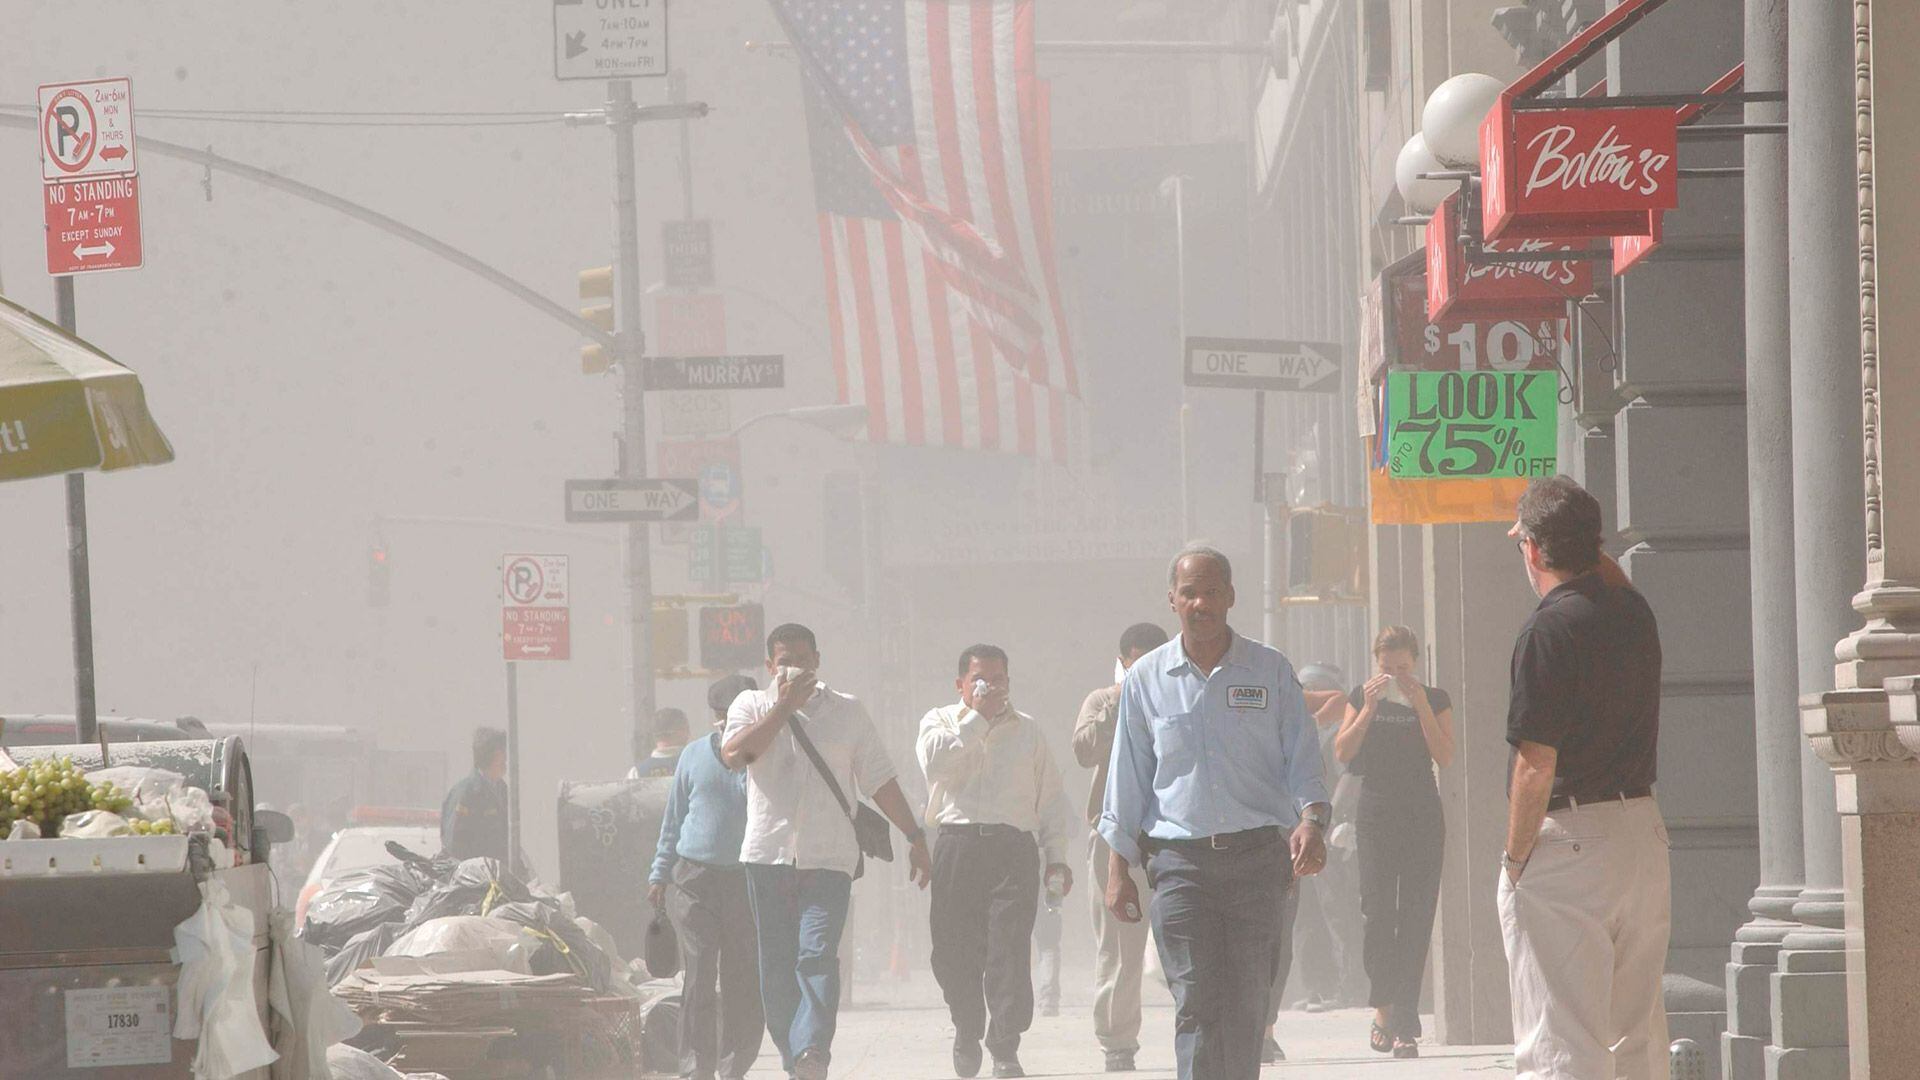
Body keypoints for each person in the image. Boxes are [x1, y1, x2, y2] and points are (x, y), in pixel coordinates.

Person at [1098, 545, 1331, 1080]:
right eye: (1189, 592)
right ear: (1172, 601)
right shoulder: (1146, 680)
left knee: (1248, 1002)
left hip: (1257, 865)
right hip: (1180, 867)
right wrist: (1118, 871)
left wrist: (1312, 821)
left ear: (1230, 597)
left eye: (1211, 591)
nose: (1200, 602)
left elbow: (1302, 757)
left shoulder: (1270, 671)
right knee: (1197, 999)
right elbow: (1127, 781)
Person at [1501, 476, 1668, 1080]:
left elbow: (1534, 764)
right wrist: (1573, 534)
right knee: (1637, 1036)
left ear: (1535, 550)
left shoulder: (1546, 630)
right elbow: (1612, 578)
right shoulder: (1632, 611)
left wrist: (1516, 859)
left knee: (1561, 1039)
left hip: (1569, 840)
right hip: (1641, 835)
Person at [721, 623, 934, 1080]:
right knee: (776, 966)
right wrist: (783, 708)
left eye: (802, 658)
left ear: (818, 659)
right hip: (767, 857)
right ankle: (794, 1054)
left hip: (830, 859)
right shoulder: (751, 705)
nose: (794, 667)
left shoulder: (848, 712)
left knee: (817, 955)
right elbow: (736, 755)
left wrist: (916, 836)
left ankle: (812, 1051)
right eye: (784, 660)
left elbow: (880, 780)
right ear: (769, 665)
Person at [917, 644, 1074, 1079]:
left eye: (999, 680)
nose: (991, 688)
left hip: (1012, 851)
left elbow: (1051, 801)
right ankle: (967, 1028)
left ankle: (1005, 1046)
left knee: (1008, 949)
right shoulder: (940, 721)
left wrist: (1057, 859)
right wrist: (977, 719)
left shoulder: (1028, 731)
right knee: (952, 953)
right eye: (980, 680)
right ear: (961, 684)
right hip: (957, 845)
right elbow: (935, 765)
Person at [1333, 628, 1454, 1058]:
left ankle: (1405, 1021)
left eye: (1402, 668)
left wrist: (1418, 701)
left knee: (1416, 917)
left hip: (1422, 814)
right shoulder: (1362, 696)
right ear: (1375, 664)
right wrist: (1368, 707)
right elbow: (1343, 752)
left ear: (1416, 663)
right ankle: (1383, 1008)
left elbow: (1444, 754)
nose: (1395, 675)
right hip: (1376, 815)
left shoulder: (1435, 698)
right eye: (1387, 668)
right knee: (1377, 914)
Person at [649, 676, 764, 1080]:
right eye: (721, 714)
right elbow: (674, 818)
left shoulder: (767, 756)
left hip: (747, 879)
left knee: (741, 979)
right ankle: (696, 1066)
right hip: (695, 878)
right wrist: (659, 873)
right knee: (699, 973)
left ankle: (734, 1066)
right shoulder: (694, 756)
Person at [1071, 621, 1167, 1073]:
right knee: (1120, 948)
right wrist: (1120, 699)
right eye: (1137, 660)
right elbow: (1084, 751)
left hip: (1170, 835)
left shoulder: (1176, 696)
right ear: (1125, 659)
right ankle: (1117, 1042)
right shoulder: (1101, 701)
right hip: (1114, 839)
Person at [439, 727, 508, 864]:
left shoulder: (502, 790)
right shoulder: (466, 794)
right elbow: (453, 846)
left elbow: (506, 840)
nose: (506, 759)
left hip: (497, 877)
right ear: (492, 756)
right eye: (502, 753)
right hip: (473, 879)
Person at [632, 707, 693, 779]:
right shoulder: (696, 765)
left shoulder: (636, 773)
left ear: (654, 735)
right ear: (682, 732)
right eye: (687, 728)